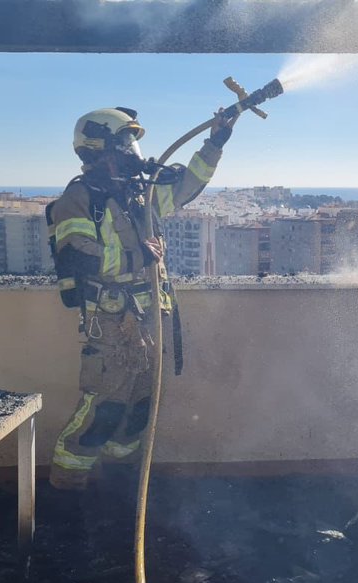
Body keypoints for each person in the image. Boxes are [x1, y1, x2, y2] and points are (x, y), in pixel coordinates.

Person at [47, 106, 235, 490]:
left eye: (132, 142)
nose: (133, 151)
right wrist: (140, 256)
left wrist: (215, 142)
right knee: (103, 410)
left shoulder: (139, 195)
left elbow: (187, 186)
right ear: (98, 149)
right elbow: (78, 256)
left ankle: (119, 489)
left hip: (147, 322)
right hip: (111, 326)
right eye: (124, 143)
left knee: (137, 411)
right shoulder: (79, 199)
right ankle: (67, 493)